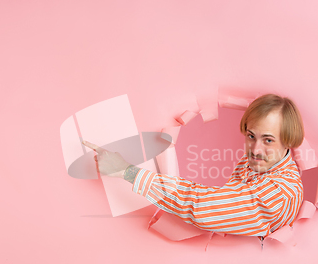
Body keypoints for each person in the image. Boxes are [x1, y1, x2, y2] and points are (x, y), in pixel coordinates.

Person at [83, 94, 305, 237]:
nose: (255, 150)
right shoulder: (256, 162)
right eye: (250, 136)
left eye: (268, 140)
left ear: (288, 141)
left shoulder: (278, 192)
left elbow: (205, 208)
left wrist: (127, 171)